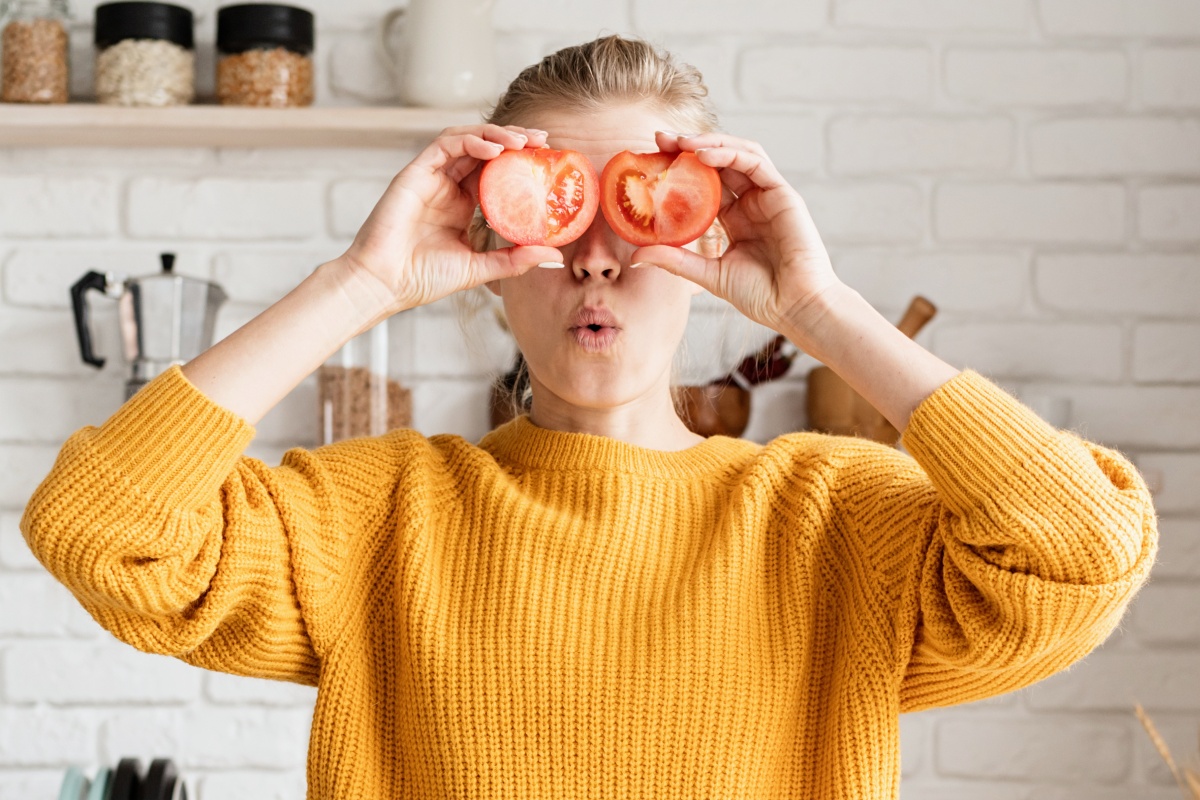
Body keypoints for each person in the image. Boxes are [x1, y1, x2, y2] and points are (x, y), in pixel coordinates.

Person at [22, 35, 1157, 800]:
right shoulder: (376, 517)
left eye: (644, 212)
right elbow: (100, 529)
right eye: (555, 216)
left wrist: (817, 306)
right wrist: (360, 281)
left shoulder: (834, 522)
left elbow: (1084, 554)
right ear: (490, 255)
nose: (598, 260)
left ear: (709, 242)